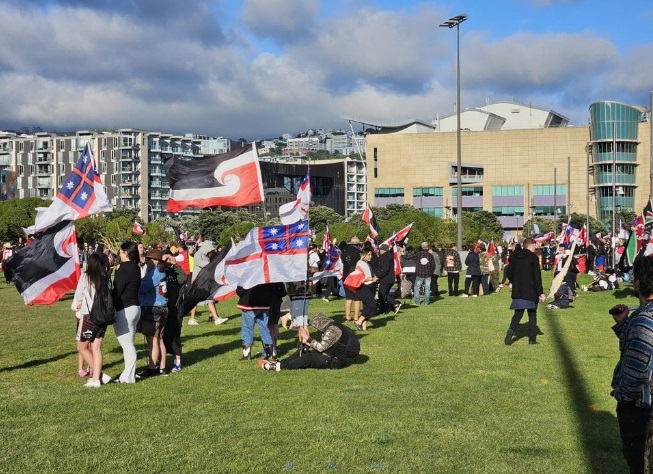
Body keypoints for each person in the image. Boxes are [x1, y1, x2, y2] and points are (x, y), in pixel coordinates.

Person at [610, 255, 653, 474]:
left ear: (638, 283)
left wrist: (622, 396)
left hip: (640, 407)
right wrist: (624, 324)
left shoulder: (645, 320)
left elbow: (637, 369)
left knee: (638, 461)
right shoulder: (642, 316)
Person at [259, 313, 355, 371]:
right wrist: (308, 343)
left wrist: (308, 338)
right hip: (331, 354)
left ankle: (278, 367)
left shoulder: (332, 331)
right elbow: (327, 345)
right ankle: (281, 363)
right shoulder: (334, 326)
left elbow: (321, 347)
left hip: (334, 361)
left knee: (309, 357)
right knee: (304, 350)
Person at [72, 253, 113, 387]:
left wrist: (78, 304)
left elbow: (78, 296)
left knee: (82, 347)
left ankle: (98, 375)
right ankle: (96, 378)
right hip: (104, 317)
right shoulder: (106, 278)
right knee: (96, 347)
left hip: (89, 316)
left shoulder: (86, 277)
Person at [504, 238, 546, 346]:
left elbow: (508, 272)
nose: (535, 247)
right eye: (534, 245)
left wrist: (515, 282)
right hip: (531, 290)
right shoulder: (533, 258)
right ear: (530, 245)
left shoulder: (514, 256)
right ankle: (532, 339)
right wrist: (541, 292)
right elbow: (537, 276)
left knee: (518, 313)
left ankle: (511, 330)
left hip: (518, 289)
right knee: (532, 314)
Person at [112, 240, 142, 383]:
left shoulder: (124, 268)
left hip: (125, 308)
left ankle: (128, 376)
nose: (119, 254)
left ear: (126, 253)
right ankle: (128, 374)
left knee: (127, 344)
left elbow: (118, 290)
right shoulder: (136, 267)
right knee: (129, 344)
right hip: (135, 307)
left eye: (121, 251)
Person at [137, 249, 169, 378]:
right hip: (163, 307)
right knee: (160, 339)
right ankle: (162, 367)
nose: (145, 261)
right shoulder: (162, 271)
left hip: (153, 307)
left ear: (155, 261)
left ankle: (152, 367)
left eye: (148, 259)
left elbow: (140, 288)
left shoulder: (153, 273)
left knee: (153, 340)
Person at [188, 241, 227, 326]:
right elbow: (201, 264)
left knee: (209, 298)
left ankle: (215, 318)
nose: (211, 252)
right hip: (197, 281)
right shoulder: (198, 254)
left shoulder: (206, 256)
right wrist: (212, 265)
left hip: (204, 280)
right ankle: (193, 319)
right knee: (199, 300)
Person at [161, 250, 188, 373]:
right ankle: (161, 361)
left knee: (175, 334)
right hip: (163, 308)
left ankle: (177, 361)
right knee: (163, 335)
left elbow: (183, 279)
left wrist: (174, 263)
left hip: (176, 307)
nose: (167, 261)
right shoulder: (161, 271)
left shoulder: (176, 271)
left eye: (168, 258)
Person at [236, 283, 275, 361]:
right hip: (264, 304)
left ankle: (246, 355)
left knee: (247, 329)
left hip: (249, 304)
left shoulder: (248, 274)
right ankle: (270, 355)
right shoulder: (265, 274)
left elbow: (240, 290)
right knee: (265, 329)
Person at [353, 246, 378, 331]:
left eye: (371, 255)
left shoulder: (365, 263)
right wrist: (372, 278)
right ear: (364, 255)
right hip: (363, 287)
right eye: (368, 255)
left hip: (368, 286)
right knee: (372, 305)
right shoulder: (361, 263)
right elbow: (361, 277)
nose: (370, 256)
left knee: (367, 307)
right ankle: (358, 322)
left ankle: (364, 327)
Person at [341, 237, 362, 322]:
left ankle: (347, 317)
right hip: (355, 275)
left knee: (348, 298)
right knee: (357, 298)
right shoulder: (359, 252)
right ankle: (356, 317)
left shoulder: (344, 253)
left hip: (346, 275)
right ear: (358, 244)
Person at [377, 243, 401, 314]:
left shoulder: (385, 257)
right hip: (389, 278)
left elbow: (385, 269)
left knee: (382, 294)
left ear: (383, 250)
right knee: (384, 294)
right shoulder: (389, 256)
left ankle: (395, 304)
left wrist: (379, 276)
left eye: (380, 249)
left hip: (386, 279)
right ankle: (383, 309)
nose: (379, 251)